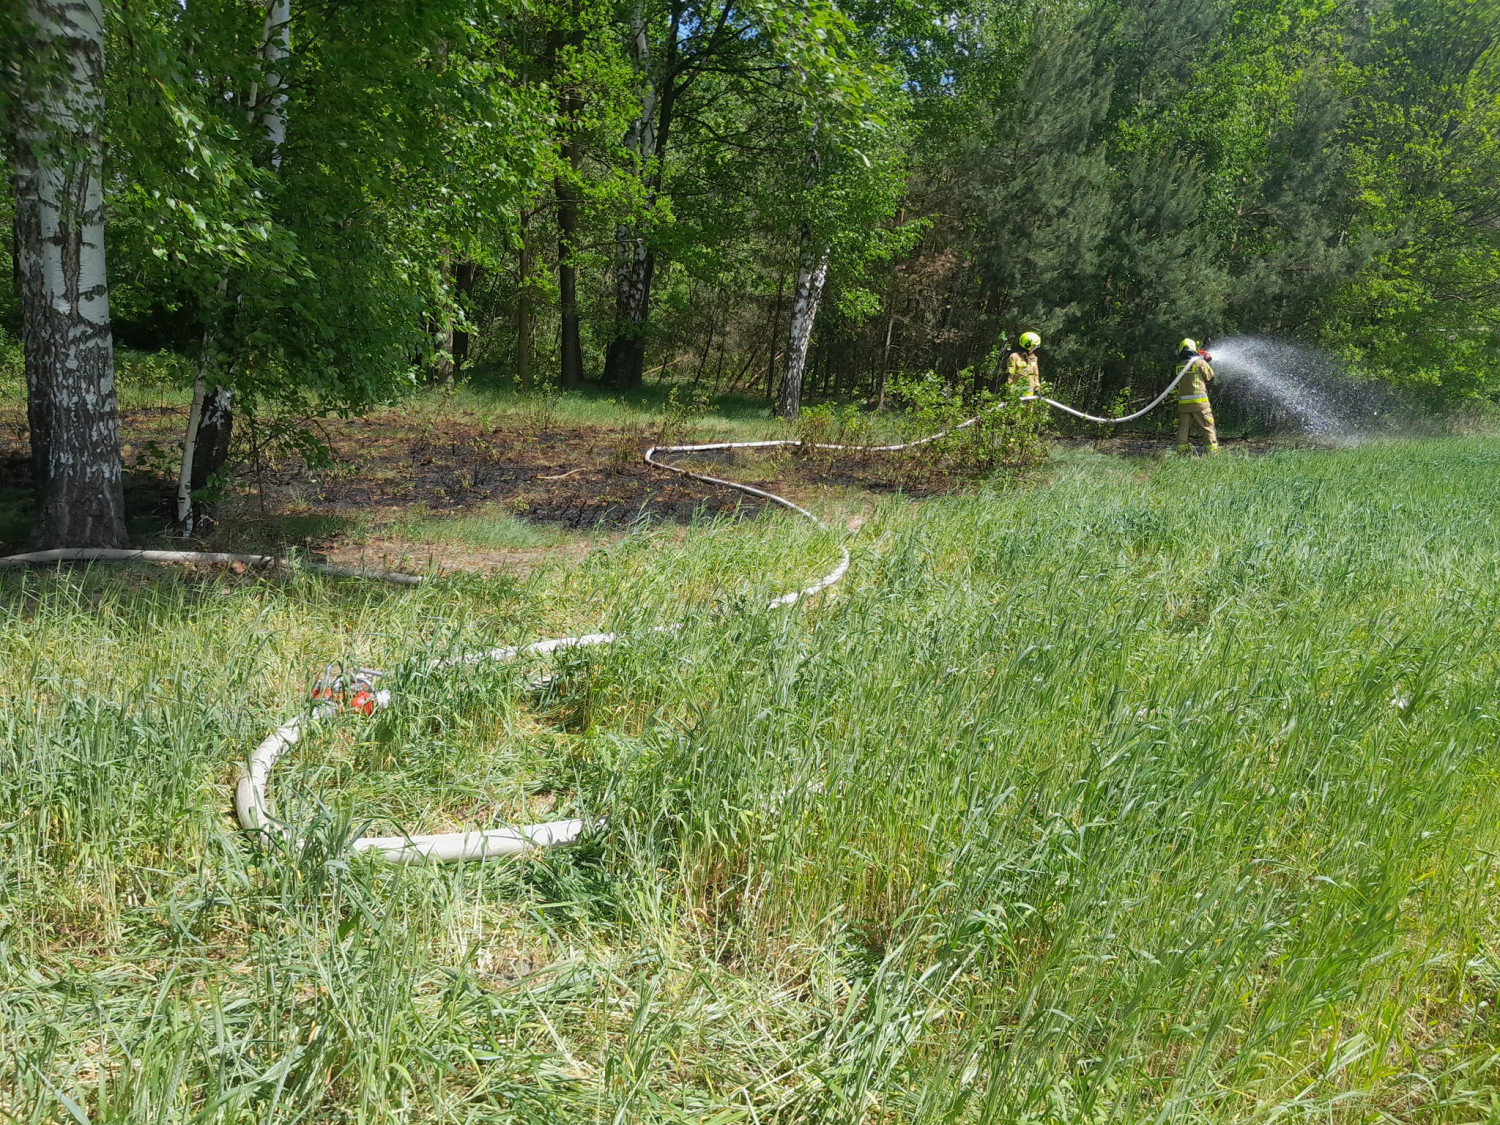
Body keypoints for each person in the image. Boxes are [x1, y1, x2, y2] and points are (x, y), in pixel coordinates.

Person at [1174, 337, 1218, 454]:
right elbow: (1210, 376)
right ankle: (1213, 455)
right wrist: (1205, 361)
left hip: (1184, 405)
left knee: (1183, 429)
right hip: (1200, 404)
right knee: (1207, 428)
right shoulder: (1200, 363)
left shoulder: (1180, 365)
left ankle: (1181, 454)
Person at [1006, 331, 1042, 396]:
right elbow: (1010, 373)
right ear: (1028, 345)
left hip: (1030, 393)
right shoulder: (1014, 357)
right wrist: (1010, 388)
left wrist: (1037, 389)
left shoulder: (1033, 358)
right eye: (1034, 347)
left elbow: (1036, 374)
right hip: (1017, 392)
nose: (1035, 349)